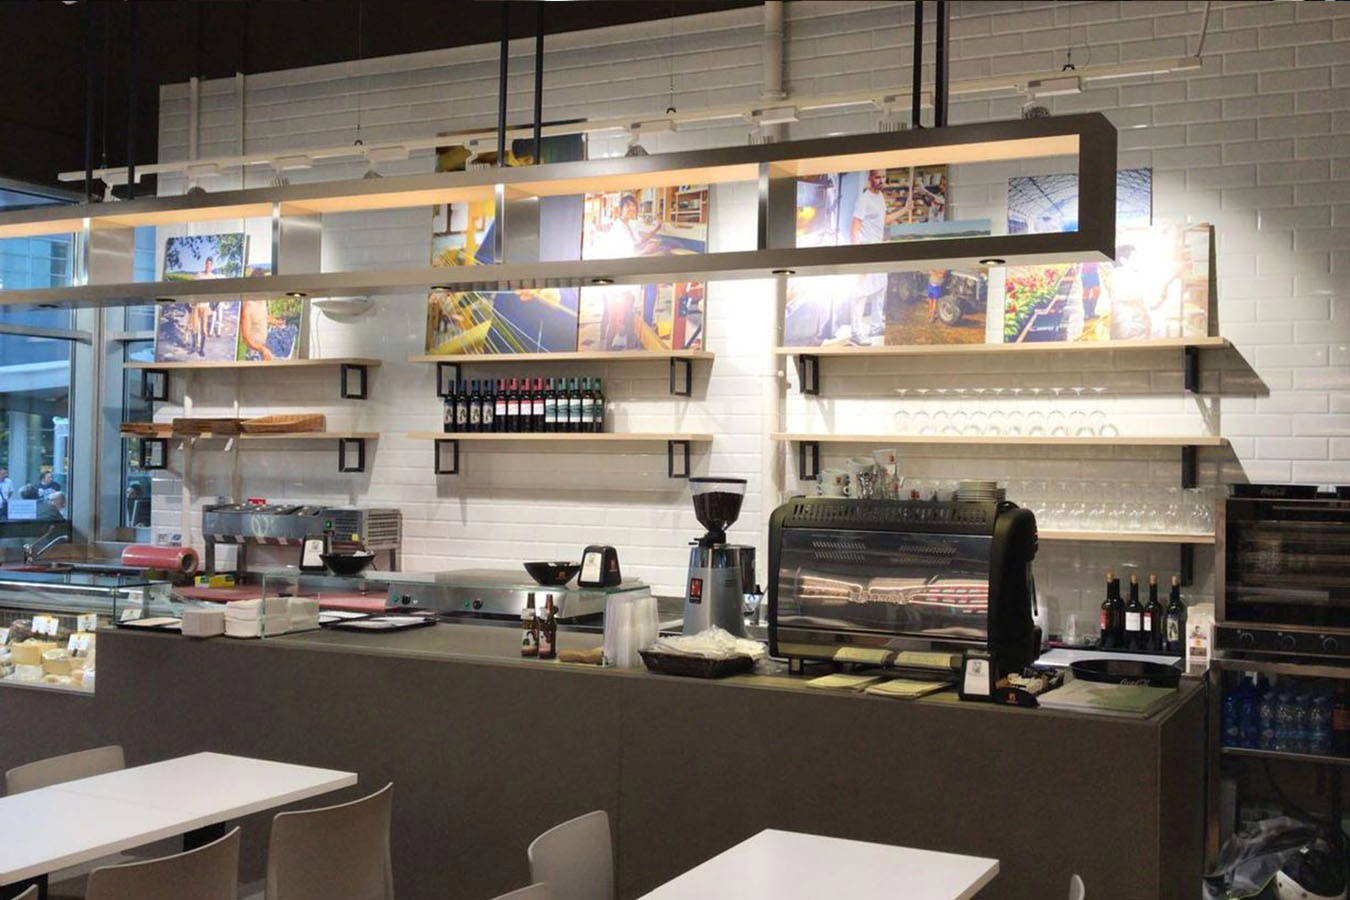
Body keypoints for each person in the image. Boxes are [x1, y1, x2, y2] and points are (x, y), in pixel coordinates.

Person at [849, 170, 889, 341]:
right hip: (865, 251)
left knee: (881, 288)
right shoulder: (863, 199)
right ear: (870, 178)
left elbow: (883, 221)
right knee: (861, 293)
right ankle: (856, 333)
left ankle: (876, 327)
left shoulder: (880, 197)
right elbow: (854, 230)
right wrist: (858, 260)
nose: (881, 180)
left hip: (878, 251)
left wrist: (905, 210)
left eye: (883, 177)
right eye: (878, 177)